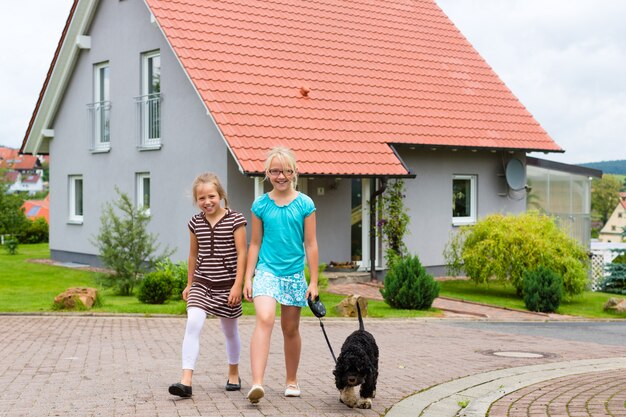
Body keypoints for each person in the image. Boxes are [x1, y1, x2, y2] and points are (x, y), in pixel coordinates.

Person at [243, 146, 319, 404]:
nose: (281, 176)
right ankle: (257, 384)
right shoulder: (260, 205)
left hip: (294, 275)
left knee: (290, 329)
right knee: (264, 319)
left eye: (286, 171)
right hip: (266, 271)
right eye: (275, 171)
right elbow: (254, 243)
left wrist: (314, 281)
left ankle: (291, 380)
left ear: (295, 172)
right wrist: (247, 277)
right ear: (267, 173)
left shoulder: (305, 204)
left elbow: (310, 244)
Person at [169, 173, 247, 398]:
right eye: (201, 198)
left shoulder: (236, 220)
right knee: (193, 323)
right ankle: (186, 381)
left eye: (211, 196)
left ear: (220, 195)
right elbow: (193, 255)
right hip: (202, 283)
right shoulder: (195, 222)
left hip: (227, 285)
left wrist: (237, 285)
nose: (207, 201)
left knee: (229, 330)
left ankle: (234, 373)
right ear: (196, 200)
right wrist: (189, 284)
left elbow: (243, 253)